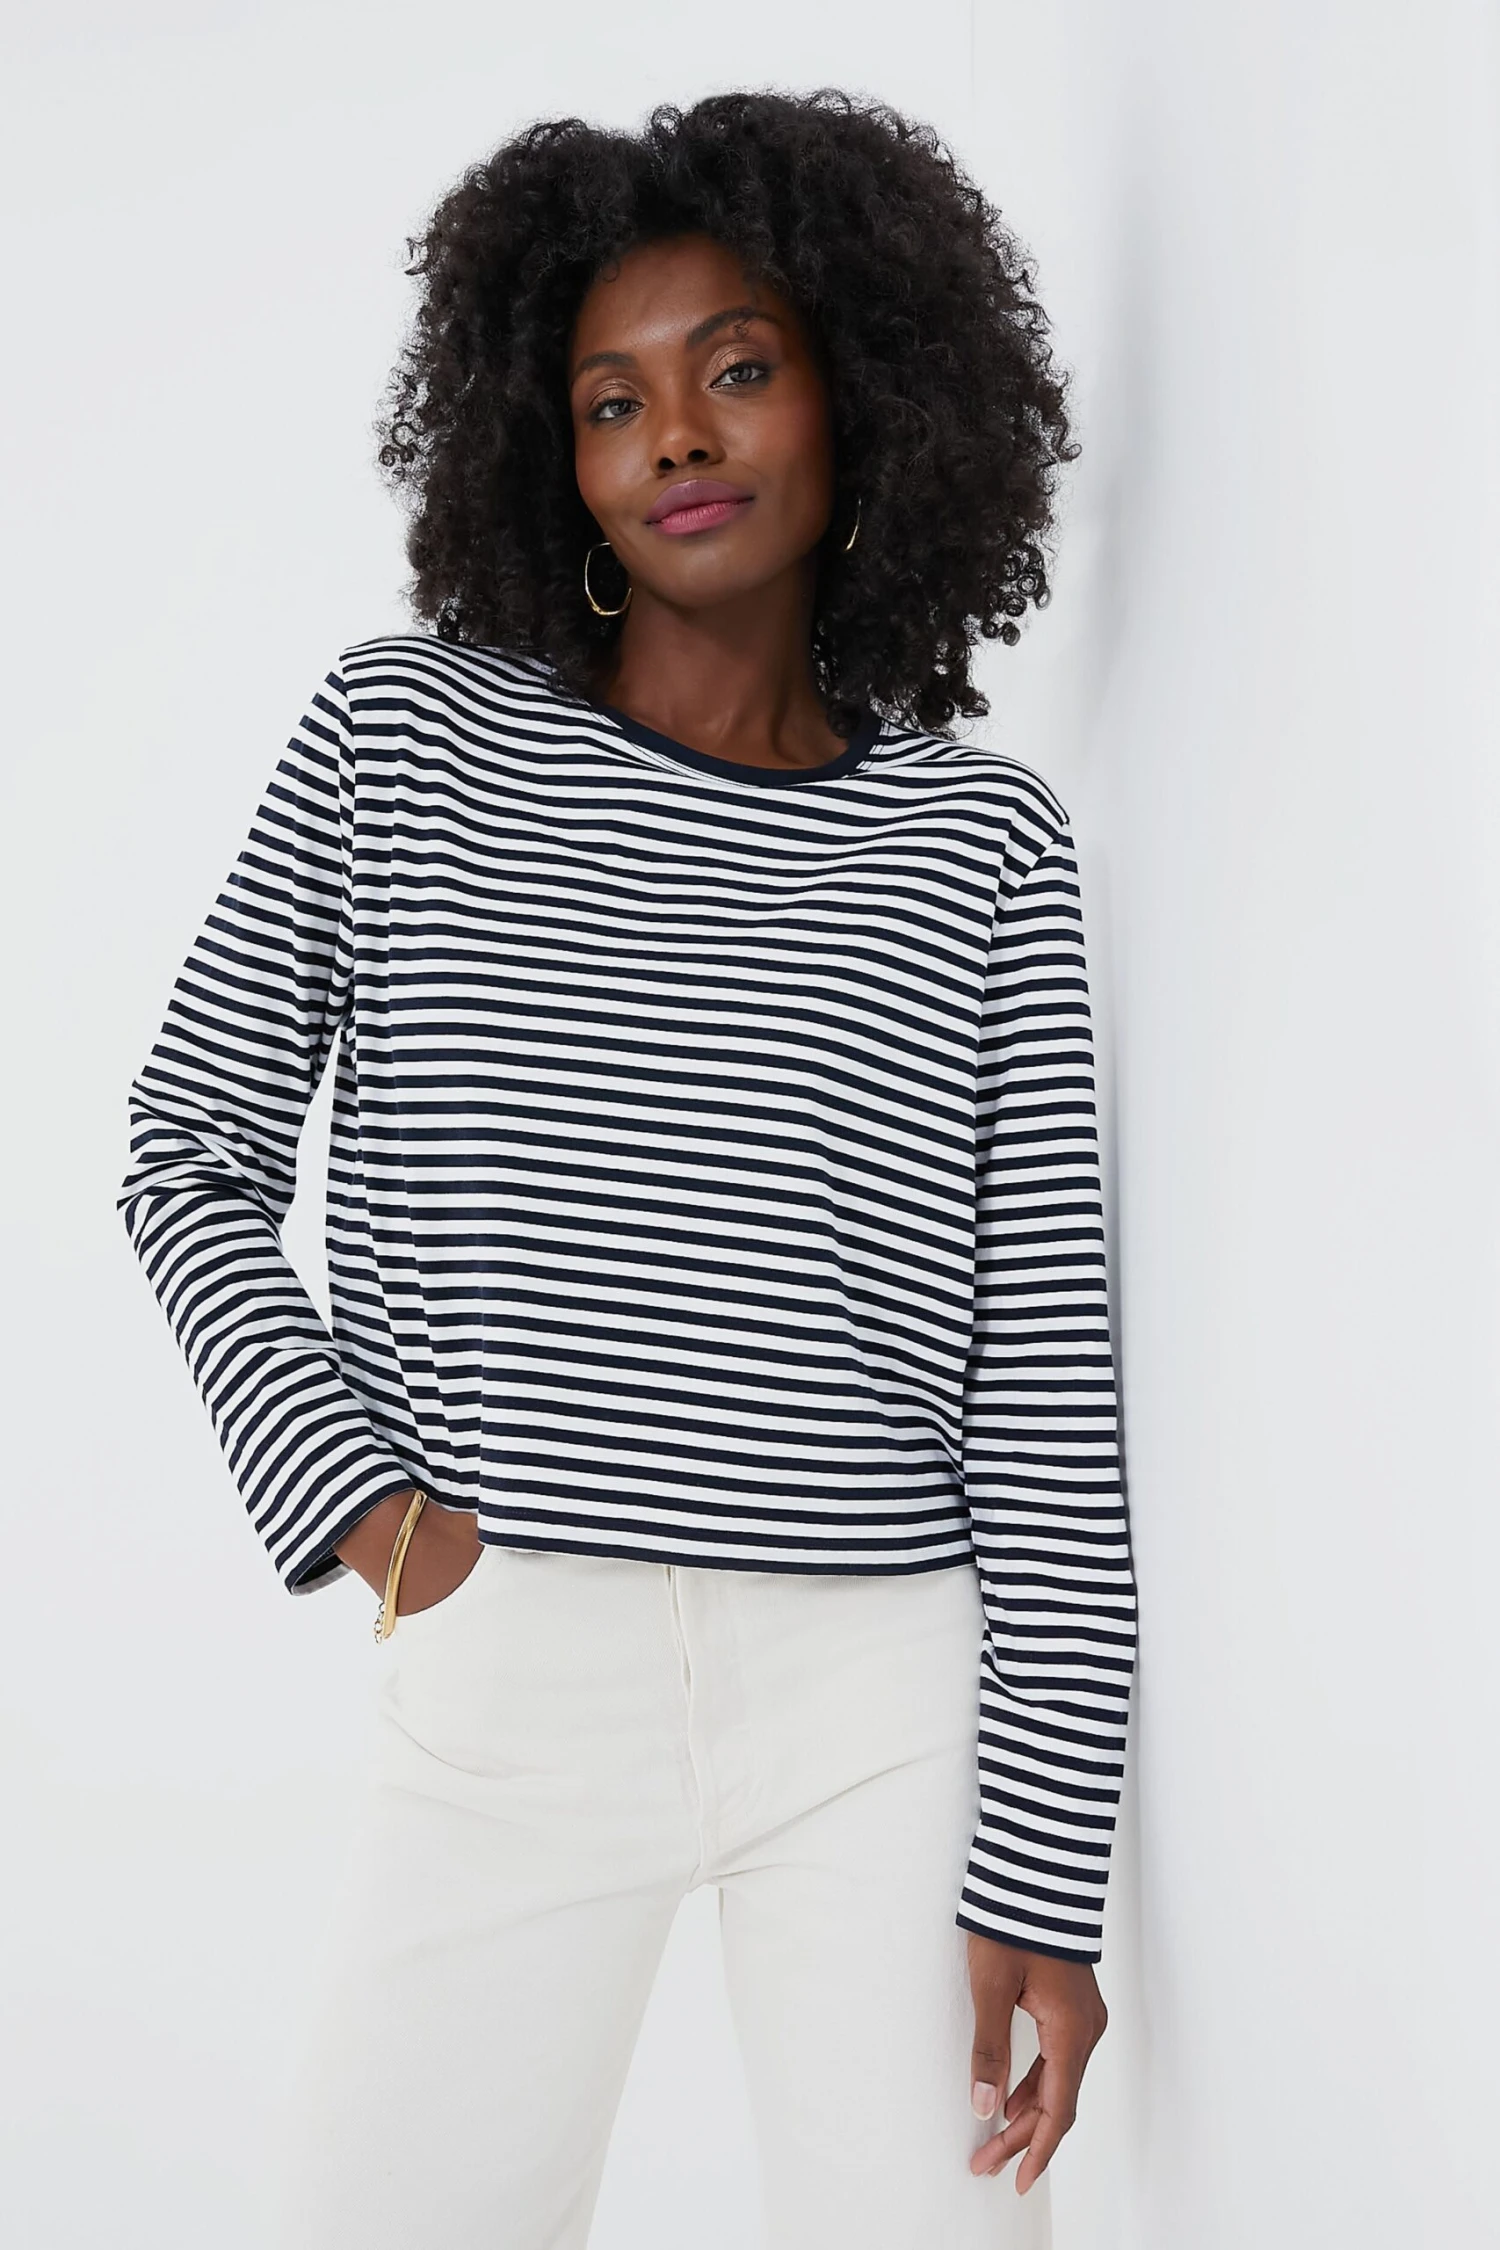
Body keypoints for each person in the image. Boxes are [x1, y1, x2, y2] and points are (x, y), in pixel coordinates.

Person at [117, 87, 1136, 2250]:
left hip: (882, 1700)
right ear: (553, 455)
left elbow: (1046, 1370)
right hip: (512, 1653)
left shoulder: (981, 842)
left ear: (865, 392)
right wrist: (368, 1508)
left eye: (737, 368)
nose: (677, 433)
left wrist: (1047, 1870)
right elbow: (185, 1148)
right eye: (612, 399)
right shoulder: (404, 735)